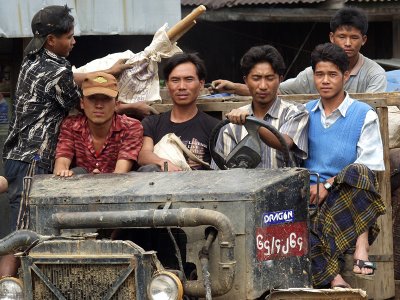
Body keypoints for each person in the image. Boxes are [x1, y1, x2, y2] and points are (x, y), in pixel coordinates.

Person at [0, 5, 131, 277]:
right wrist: (132, 103)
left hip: (19, 158)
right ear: (52, 40)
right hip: (32, 161)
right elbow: (84, 99)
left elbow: (74, 77)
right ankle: (8, 288)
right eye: (69, 37)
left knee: (25, 228)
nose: (74, 41)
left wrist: (110, 69)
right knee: (22, 233)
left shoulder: (34, 60)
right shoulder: (57, 73)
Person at [305, 43, 385, 289]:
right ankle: (334, 280)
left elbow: (370, 165)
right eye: (320, 74)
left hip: (349, 196)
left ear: (345, 75)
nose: (325, 81)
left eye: (332, 74)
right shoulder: (304, 113)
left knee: (358, 171)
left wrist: (328, 184)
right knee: (299, 223)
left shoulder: (363, 114)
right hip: (312, 199)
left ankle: (362, 243)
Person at [211, 7, 386, 95]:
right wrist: (233, 87)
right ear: (332, 37)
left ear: (363, 40)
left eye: (354, 38)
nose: (347, 43)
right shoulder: (313, 73)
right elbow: (274, 90)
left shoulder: (374, 73)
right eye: (342, 36)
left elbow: (371, 114)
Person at [211, 45, 308, 169]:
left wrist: (251, 122)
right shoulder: (231, 124)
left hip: (286, 188)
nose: (263, 86)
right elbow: (220, 172)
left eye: (269, 78)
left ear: (280, 79)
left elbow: (285, 143)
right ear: (246, 81)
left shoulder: (295, 113)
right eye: (256, 78)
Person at [138, 53, 219, 171]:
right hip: (159, 187)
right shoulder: (152, 123)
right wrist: (162, 162)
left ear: (201, 84)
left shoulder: (214, 127)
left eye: (189, 79)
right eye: (175, 80)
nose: (181, 86)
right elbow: (143, 155)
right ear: (167, 84)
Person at [54, 72, 143, 176]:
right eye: (92, 98)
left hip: (118, 187)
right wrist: (63, 173)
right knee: (78, 171)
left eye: (106, 99)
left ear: (116, 104)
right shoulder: (71, 125)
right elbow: (61, 162)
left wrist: (100, 181)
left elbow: (120, 172)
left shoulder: (131, 127)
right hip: (79, 187)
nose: (99, 105)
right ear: (82, 103)